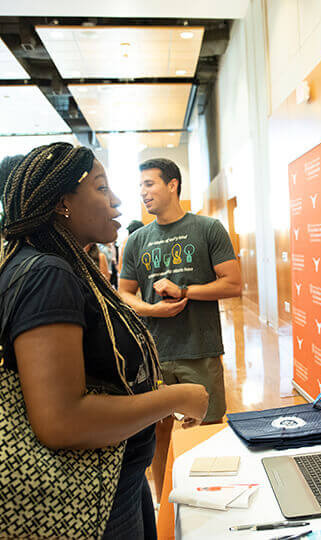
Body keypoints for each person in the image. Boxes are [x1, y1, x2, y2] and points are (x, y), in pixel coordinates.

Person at [0, 143, 208, 539]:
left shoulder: (49, 264)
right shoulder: (48, 273)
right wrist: (176, 397)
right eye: (100, 188)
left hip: (115, 485)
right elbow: (62, 421)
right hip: (93, 501)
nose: (116, 200)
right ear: (63, 203)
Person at [119, 157, 241, 501]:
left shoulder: (207, 229)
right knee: (154, 435)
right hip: (153, 355)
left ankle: (214, 500)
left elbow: (233, 283)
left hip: (198, 350)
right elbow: (124, 293)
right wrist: (152, 309)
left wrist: (185, 291)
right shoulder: (137, 240)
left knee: (208, 429)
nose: (143, 193)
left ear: (173, 185)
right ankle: (163, 503)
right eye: (140, 186)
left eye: (149, 184)